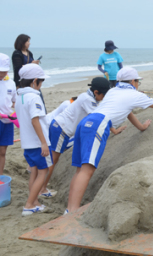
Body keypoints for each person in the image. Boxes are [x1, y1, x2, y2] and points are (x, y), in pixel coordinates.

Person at [66, 67, 153, 213]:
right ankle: (72, 211)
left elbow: (127, 111)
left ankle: (69, 208)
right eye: (137, 82)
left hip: (85, 123)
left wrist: (141, 127)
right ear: (133, 81)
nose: (137, 85)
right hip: (99, 124)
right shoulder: (133, 94)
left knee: (80, 170)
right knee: (87, 170)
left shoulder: (113, 91)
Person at [41, 77, 111, 199]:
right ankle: (42, 189)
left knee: (52, 159)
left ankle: (42, 186)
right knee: (53, 160)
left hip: (58, 125)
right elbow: (97, 117)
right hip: (62, 129)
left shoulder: (85, 96)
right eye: (104, 95)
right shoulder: (88, 100)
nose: (104, 98)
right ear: (96, 92)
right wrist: (114, 129)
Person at [15, 64, 53, 216]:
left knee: (34, 173)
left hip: (27, 144)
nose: (41, 86)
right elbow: (35, 120)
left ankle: (34, 202)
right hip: (38, 144)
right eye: (41, 82)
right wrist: (43, 142)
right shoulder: (34, 97)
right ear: (35, 81)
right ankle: (29, 204)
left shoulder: (20, 96)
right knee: (43, 172)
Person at [0, 54, 16, 176]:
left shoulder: (11, 83)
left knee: (3, 151)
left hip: (8, 121)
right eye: (0, 71)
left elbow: (13, 102)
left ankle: (0, 177)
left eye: (4, 71)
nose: (2, 74)